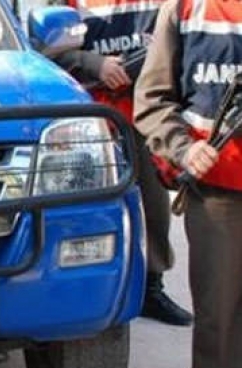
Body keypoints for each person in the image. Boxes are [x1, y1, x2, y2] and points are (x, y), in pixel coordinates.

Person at [134, 0, 242, 368]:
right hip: (216, 188)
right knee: (217, 306)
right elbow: (152, 99)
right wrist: (181, 148)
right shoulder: (185, 8)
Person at [49, 0, 194, 326]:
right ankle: (84, 291)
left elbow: (183, 44)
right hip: (91, 120)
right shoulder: (71, 4)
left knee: (155, 206)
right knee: (89, 213)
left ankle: (151, 289)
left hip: (148, 117)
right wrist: (93, 64)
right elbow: (45, 51)